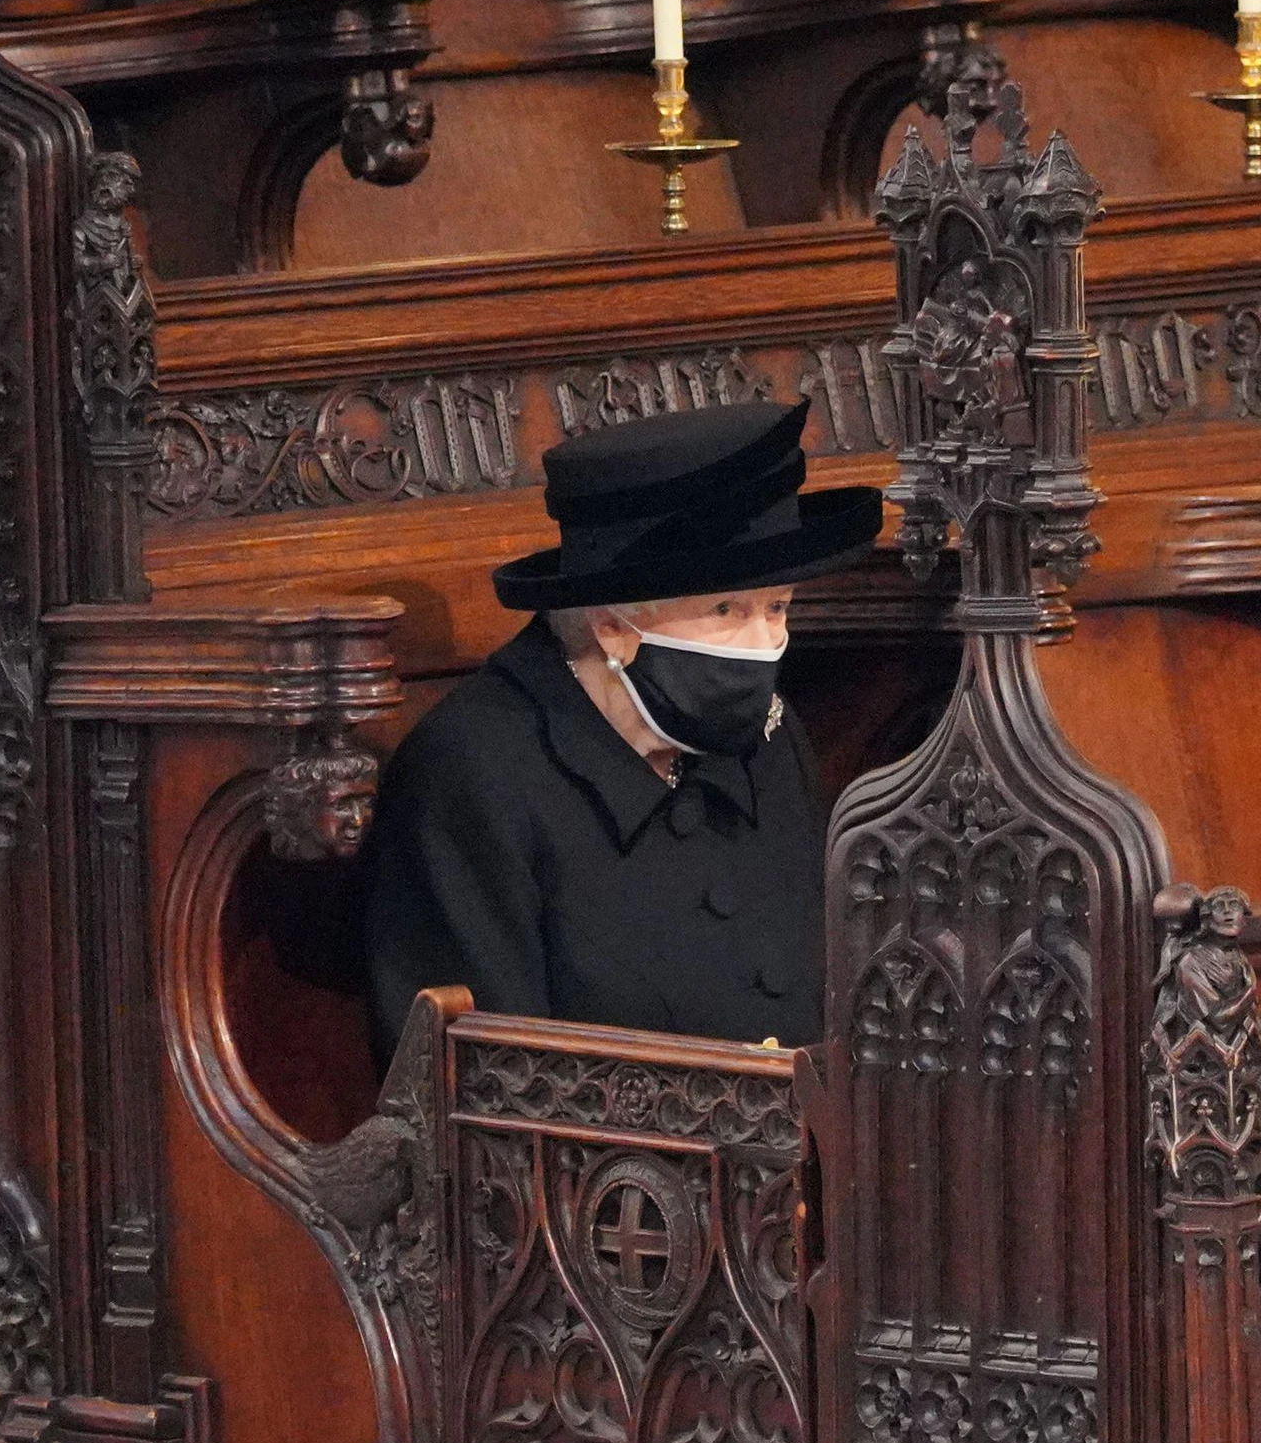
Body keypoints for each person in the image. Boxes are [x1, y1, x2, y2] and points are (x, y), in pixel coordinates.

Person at [358, 399, 884, 1062]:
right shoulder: (471, 776)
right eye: (726, 608)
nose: (767, 643)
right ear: (612, 625)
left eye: (778, 606)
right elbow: (476, 1099)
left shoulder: (773, 740)